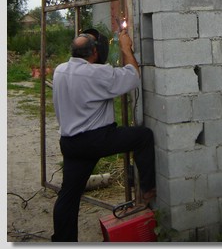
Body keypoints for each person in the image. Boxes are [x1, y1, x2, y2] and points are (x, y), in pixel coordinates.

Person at [51, 27, 156, 242]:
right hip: (95, 139)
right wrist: (126, 48)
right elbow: (132, 76)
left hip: (70, 142)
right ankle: (147, 190)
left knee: (68, 196)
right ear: (95, 53)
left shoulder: (60, 70)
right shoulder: (96, 73)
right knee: (143, 136)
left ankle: (62, 241)